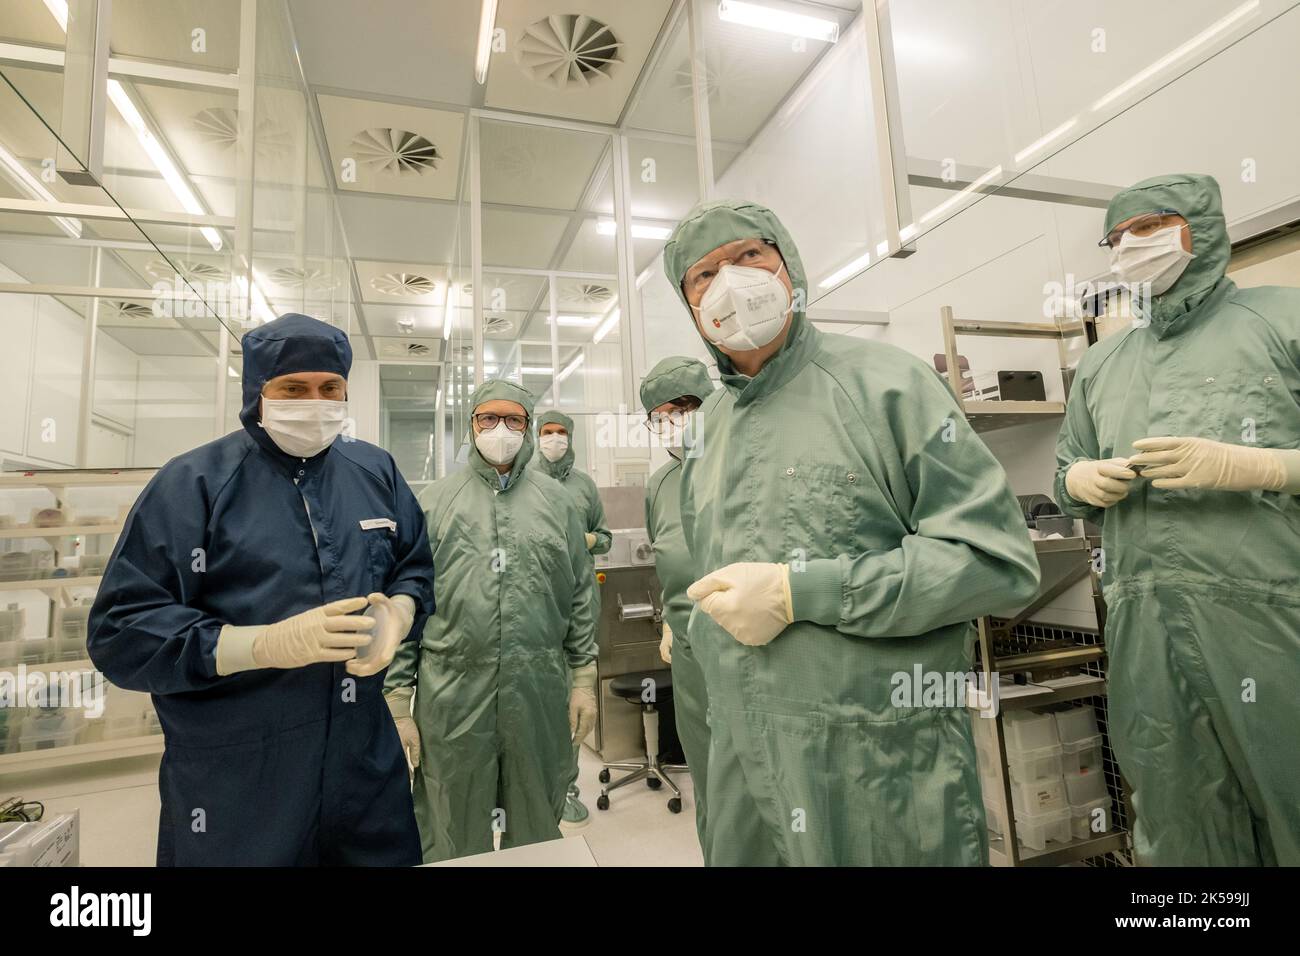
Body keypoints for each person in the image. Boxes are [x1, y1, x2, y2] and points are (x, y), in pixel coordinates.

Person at [662, 199, 1041, 866]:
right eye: (704, 274)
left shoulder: (888, 386)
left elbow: (993, 560)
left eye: (750, 256)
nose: (731, 281)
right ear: (692, 306)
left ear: (789, 266)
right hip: (744, 766)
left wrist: (803, 592)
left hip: (877, 763)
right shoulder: (706, 432)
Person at [88, 312, 433, 866]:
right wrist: (258, 646)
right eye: (293, 388)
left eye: (330, 388)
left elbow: (413, 564)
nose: (314, 401)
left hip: (363, 764)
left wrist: (399, 610)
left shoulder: (375, 473)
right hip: (237, 778)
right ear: (257, 391)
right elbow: (121, 632)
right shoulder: (194, 483)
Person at [1055, 173, 1300, 866]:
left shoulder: (1284, 320)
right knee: (1178, 814)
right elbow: (1064, 468)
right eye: (1117, 236)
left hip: (1271, 621)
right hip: (1146, 630)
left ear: (1203, 226)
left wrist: (1264, 467)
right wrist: (1078, 480)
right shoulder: (1104, 364)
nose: (1132, 245)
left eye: (1151, 226)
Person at [385, 380, 599, 862]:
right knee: (451, 821)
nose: (500, 430)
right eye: (488, 419)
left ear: (527, 427)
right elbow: (407, 602)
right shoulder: (434, 503)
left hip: (538, 688)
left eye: (514, 420)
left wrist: (584, 678)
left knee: (537, 818)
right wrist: (398, 699)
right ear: (471, 424)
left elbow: (581, 593)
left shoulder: (559, 503)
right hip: (453, 694)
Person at [640, 356, 716, 854]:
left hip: (755, 641)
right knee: (709, 773)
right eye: (663, 414)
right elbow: (666, 555)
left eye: (686, 407)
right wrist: (670, 620)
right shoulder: (660, 485)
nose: (676, 421)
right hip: (689, 649)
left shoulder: (744, 463)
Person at [533, 410, 611, 828]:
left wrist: (589, 539)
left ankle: (568, 788)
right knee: (539, 702)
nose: (554, 439)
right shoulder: (524, 482)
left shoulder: (584, 486)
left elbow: (607, 535)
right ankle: (535, 788)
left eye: (561, 432)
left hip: (577, 606)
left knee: (576, 701)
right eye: (547, 432)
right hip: (538, 604)